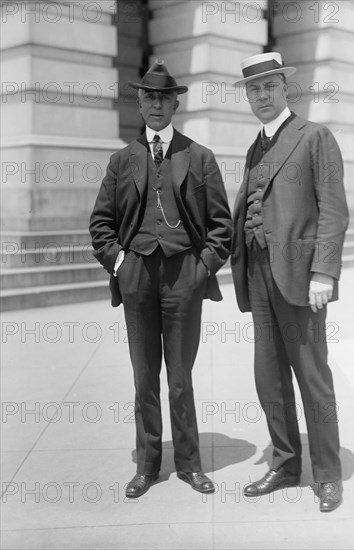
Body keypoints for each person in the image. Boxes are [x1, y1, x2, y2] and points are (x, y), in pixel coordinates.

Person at [89, 60, 232, 498]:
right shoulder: (121, 160)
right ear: (139, 102)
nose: (156, 104)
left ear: (175, 104)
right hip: (137, 277)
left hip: (182, 277)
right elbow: (101, 225)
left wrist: (201, 267)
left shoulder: (199, 156)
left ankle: (189, 464)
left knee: (180, 377)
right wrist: (120, 263)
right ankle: (148, 465)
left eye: (164, 98)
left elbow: (221, 226)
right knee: (144, 377)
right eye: (148, 97)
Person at [231, 52, 349, 512]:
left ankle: (327, 473)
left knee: (312, 376)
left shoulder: (315, 136)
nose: (261, 96)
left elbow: (334, 210)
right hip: (259, 274)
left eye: (269, 87)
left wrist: (324, 269)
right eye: (253, 89)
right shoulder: (254, 147)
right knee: (269, 378)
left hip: (300, 276)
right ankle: (284, 462)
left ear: (285, 88)